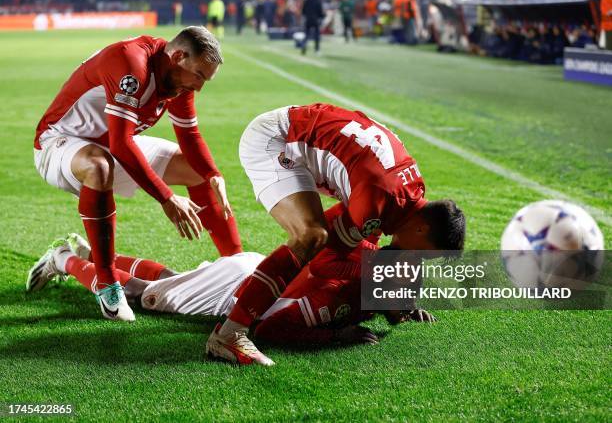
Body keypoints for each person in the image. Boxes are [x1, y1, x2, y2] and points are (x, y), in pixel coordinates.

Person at [206, 103, 466, 365]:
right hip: (275, 140)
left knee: (338, 236)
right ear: (423, 228)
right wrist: (374, 269)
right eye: (421, 253)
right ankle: (230, 334)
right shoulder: (379, 202)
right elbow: (324, 261)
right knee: (311, 236)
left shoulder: (409, 193)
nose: (414, 258)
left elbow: (358, 241)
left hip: (304, 131)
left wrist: (399, 299)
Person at [30, 26, 242, 322]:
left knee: (196, 170)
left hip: (108, 143)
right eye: (199, 76)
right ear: (178, 56)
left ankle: (236, 266)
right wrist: (167, 199)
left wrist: (213, 174)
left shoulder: (178, 79)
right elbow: (121, 143)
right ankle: (107, 284)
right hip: (59, 144)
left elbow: (188, 133)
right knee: (100, 165)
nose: (199, 86)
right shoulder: (131, 63)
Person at [29, 232, 435, 345]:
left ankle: (91, 252)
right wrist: (334, 335)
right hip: (238, 289)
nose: (404, 306)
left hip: (256, 268)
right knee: (140, 295)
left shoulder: (373, 271)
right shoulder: (337, 296)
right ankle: (64, 257)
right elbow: (269, 328)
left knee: (169, 278)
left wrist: (404, 307)